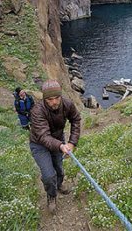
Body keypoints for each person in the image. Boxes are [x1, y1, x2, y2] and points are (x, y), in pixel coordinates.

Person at [29, 79, 81, 214]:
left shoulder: (67, 104)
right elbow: (43, 137)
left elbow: (76, 119)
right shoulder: (37, 111)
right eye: (50, 99)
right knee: (48, 175)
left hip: (58, 141)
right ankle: (51, 195)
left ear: (61, 95)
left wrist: (72, 142)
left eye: (57, 98)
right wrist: (61, 146)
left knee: (59, 168)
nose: (54, 102)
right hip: (39, 144)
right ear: (44, 99)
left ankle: (59, 184)